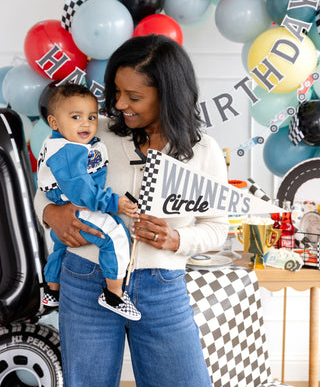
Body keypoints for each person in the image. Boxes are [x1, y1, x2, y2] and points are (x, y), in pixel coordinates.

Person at [34, 35, 229, 387]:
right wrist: (53, 214)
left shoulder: (203, 151)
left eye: (134, 97)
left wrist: (176, 238)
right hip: (85, 279)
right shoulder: (94, 133)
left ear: (167, 94)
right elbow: (44, 191)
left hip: (162, 288)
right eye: (116, 91)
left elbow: (216, 227)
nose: (120, 103)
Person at [37, 83, 141, 320]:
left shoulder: (71, 141)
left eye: (92, 117)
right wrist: (112, 203)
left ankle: (52, 289)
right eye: (76, 117)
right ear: (54, 123)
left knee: (60, 245)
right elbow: (82, 191)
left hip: (68, 202)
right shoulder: (68, 150)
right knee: (114, 234)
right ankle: (114, 294)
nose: (86, 123)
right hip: (75, 204)